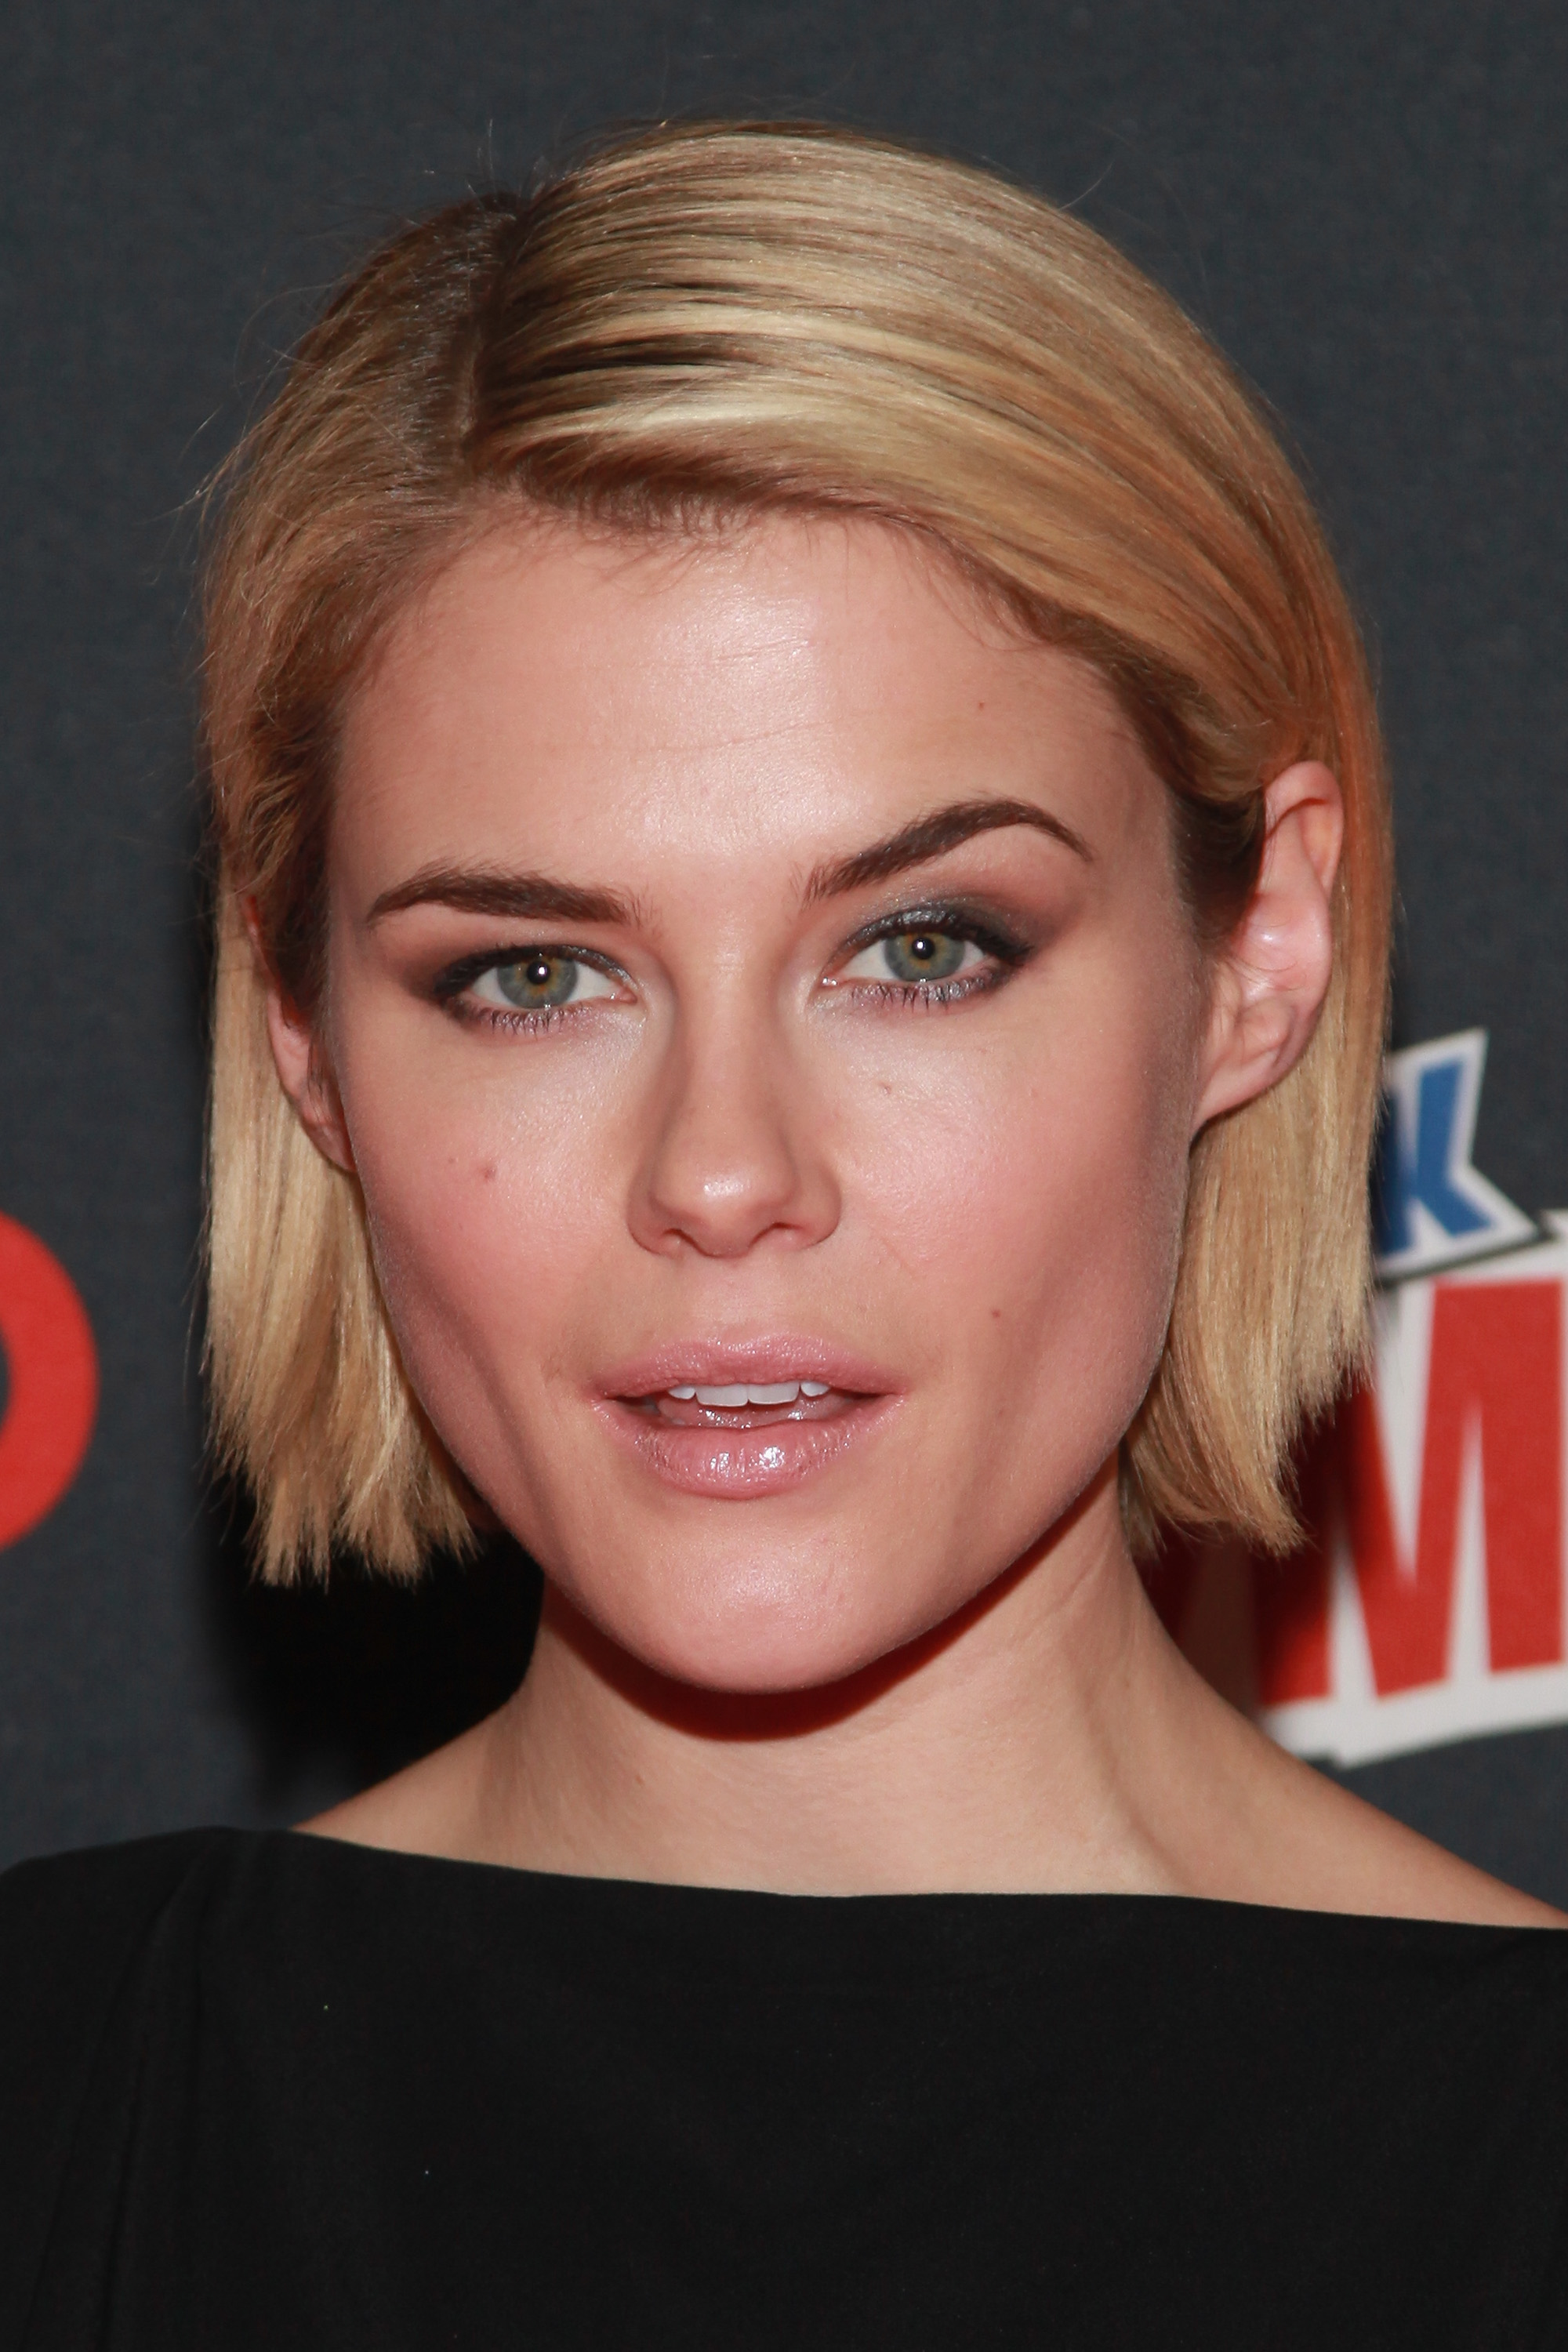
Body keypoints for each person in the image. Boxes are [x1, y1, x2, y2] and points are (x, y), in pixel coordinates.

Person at [3, 119, 1565, 2350]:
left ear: (1261, 954)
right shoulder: (68, 2106)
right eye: (533, 975)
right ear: (303, 1032)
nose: (724, 1173)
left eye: (921, 950)